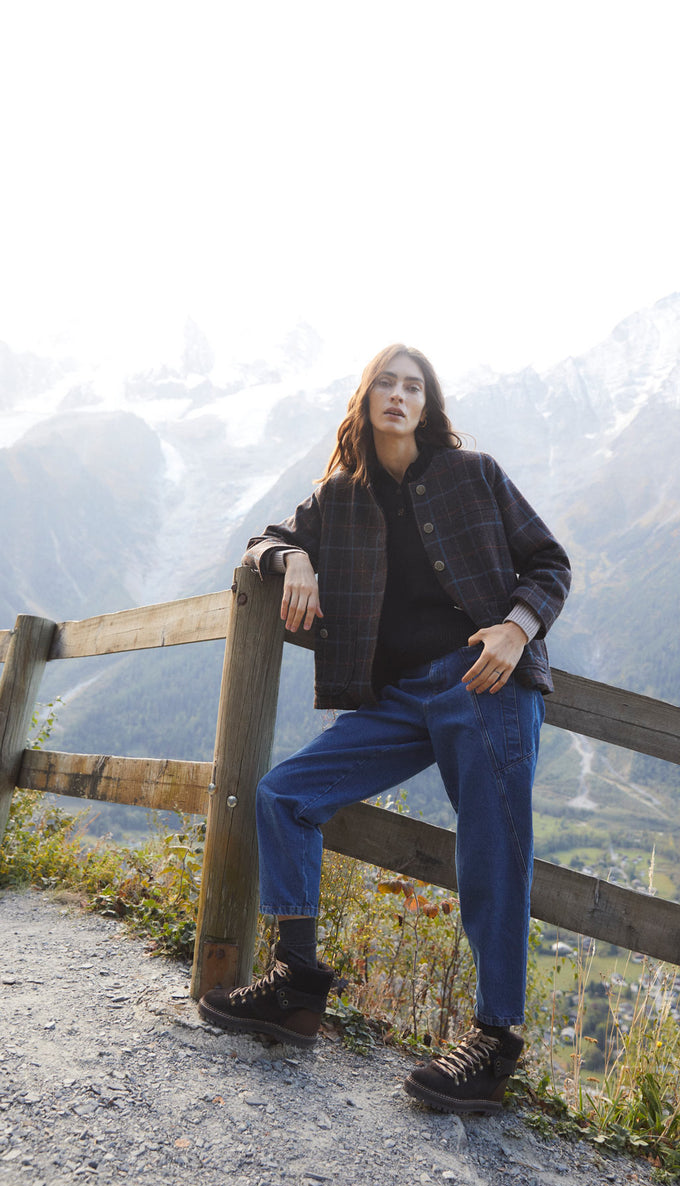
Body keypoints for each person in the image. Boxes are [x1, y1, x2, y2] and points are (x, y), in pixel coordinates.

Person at [199, 344, 571, 1114]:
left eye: (414, 387)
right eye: (387, 384)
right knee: (283, 795)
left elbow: (549, 563)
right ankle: (297, 986)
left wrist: (517, 628)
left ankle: (494, 1040)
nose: (399, 396)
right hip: (398, 699)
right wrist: (294, 561)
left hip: (484, 681)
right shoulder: (337, 498)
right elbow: (261, 542)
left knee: (493, 850)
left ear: (427, 406)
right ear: (366, 400)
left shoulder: (475, 474)